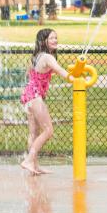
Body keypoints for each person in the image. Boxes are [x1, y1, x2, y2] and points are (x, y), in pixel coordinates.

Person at [20, 29, 72, 175]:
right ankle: (29, 160)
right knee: (48, 130)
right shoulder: (48, 57)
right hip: (35, 97)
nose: (55, 40)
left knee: (34, 133)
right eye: (51, 38)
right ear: (44, 41)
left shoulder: (37, 56)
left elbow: (38, 73)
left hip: (28, 96)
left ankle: (34, 166)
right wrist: (74, 80)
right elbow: (60, 70)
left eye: (56, 37)